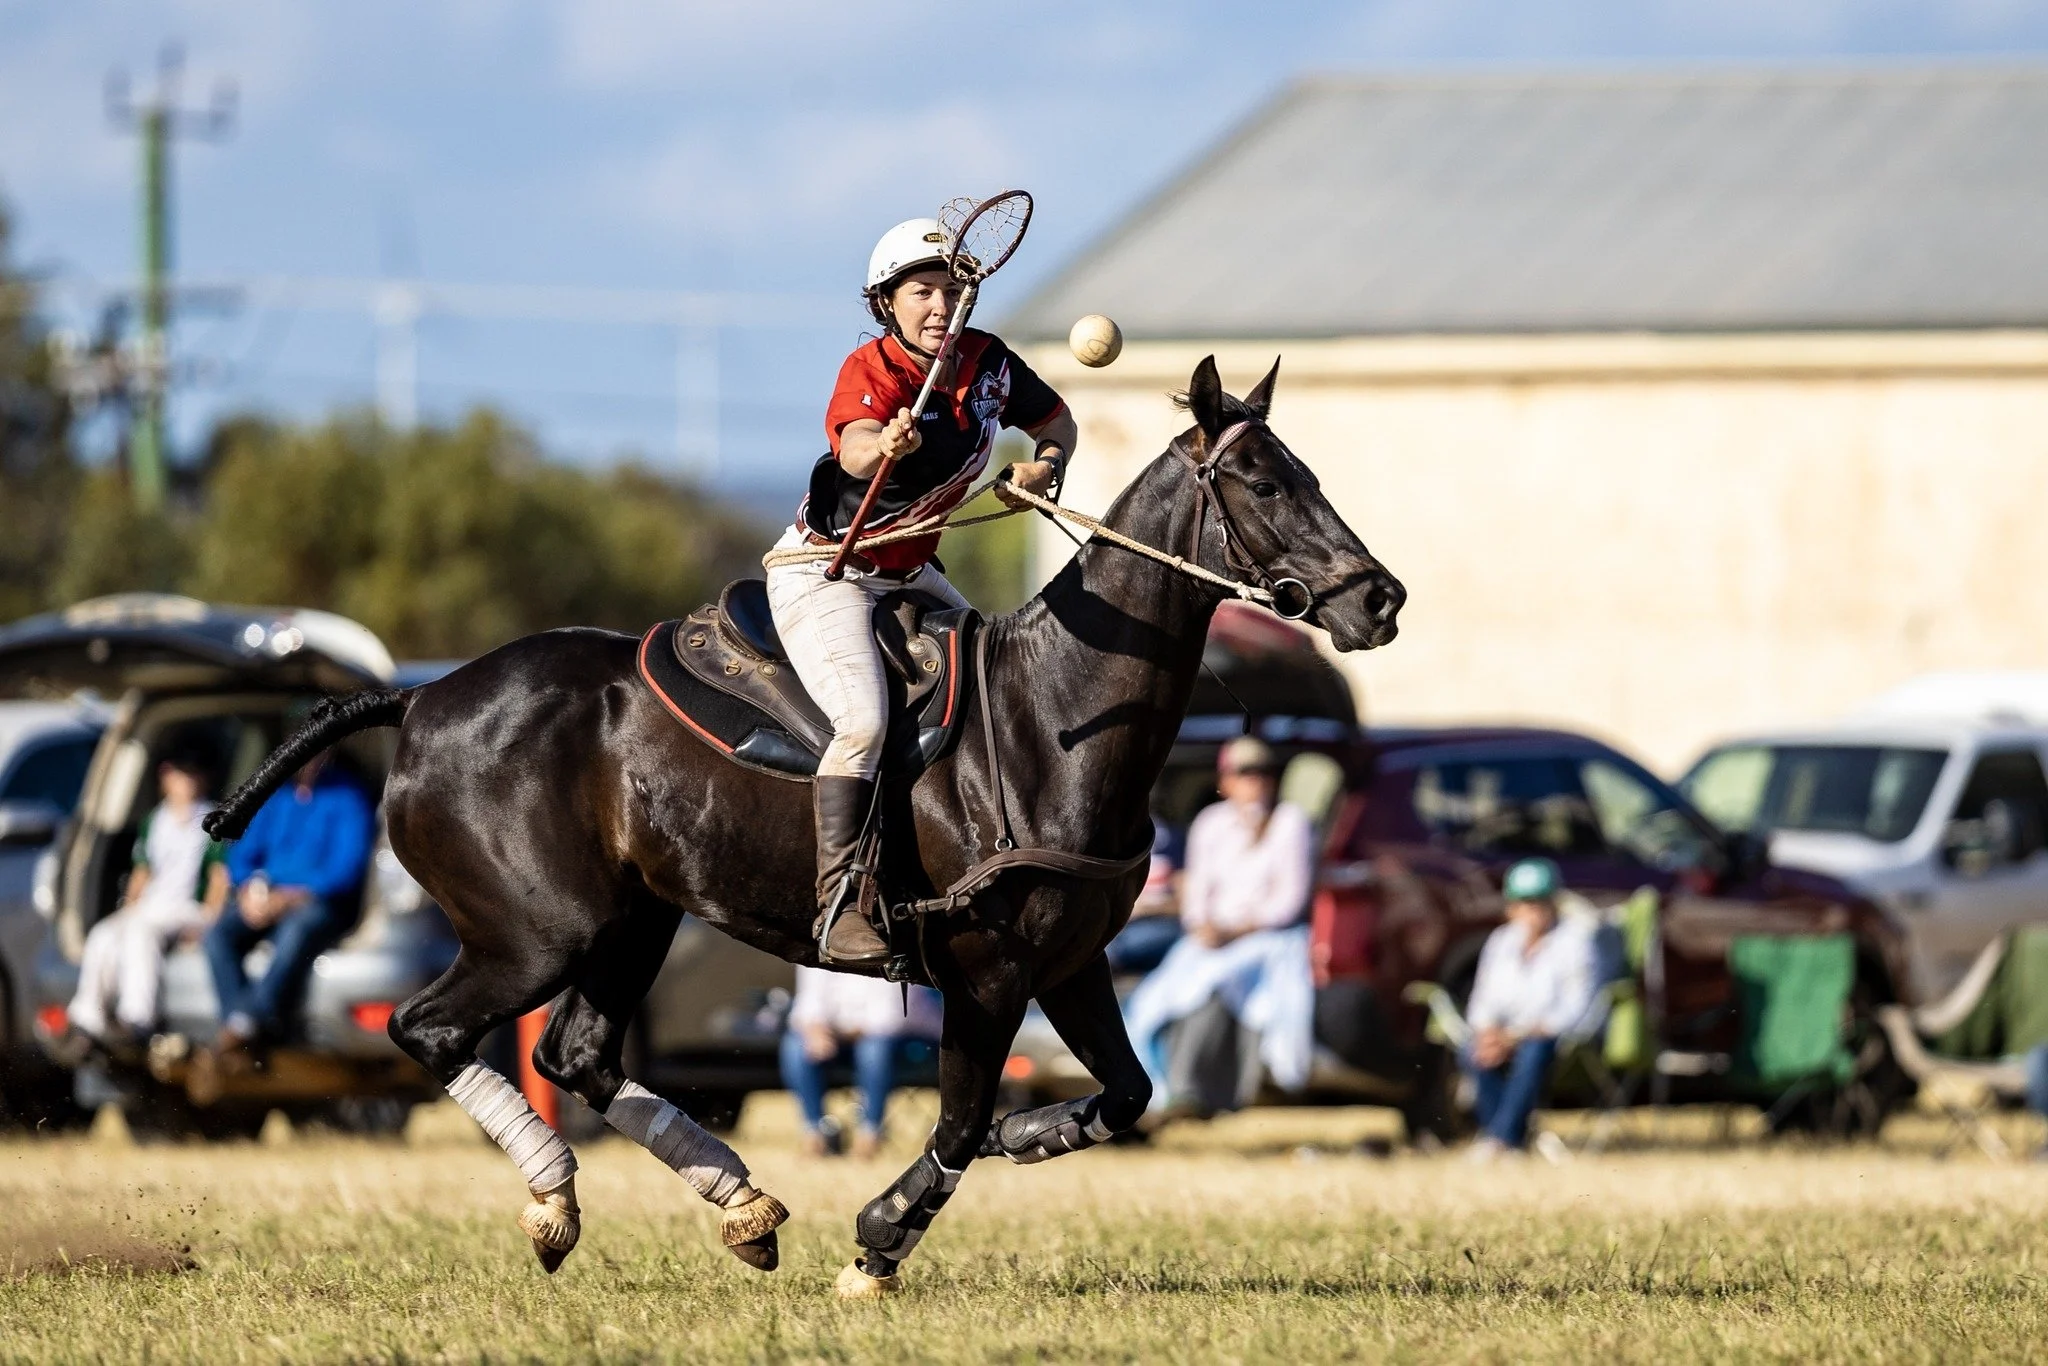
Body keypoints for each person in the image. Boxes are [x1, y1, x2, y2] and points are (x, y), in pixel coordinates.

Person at [766, 215, 1079, 966]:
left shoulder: (989, 362)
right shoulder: (870, 368)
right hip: (829, 573)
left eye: (953, 291)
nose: (941, 307)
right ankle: (839, 904)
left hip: (911, 574)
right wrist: (886, 442)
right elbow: (852, 445)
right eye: (922, 292)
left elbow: (1057, 420)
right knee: (865, 726)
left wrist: (1044, 466)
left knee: (1003, 692)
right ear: (887, 303)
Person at [1123, 736, 1318, 1116]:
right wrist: (1203, 928)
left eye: (1262, 772)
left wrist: (1235, 932)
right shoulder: (1211, 824)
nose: (1255, 781)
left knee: (1216, 988)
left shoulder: (1291, 822)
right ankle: (1151, 1092)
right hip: (1210, 940)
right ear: (1225, 781)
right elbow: (1198, 892)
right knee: (1153, 1003)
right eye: (1245, 773)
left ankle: (1193, 1090)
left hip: (1268, 940)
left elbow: (1289, 902)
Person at [201, 750, 375, 1052]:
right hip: (265, 896)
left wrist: (289, 898)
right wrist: (248, 891)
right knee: (218, 935)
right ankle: (241, 1027)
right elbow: (241, 855)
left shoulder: (349, 797)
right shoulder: (276, 797)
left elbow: (346, 870)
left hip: (319, 901)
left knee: (295, 931)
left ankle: (246, 1023)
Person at [66, 752, 229, 1051]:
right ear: (166, 777)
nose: (186, 782)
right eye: (181, 774)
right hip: (152, 905)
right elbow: (142, 871)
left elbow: (219, 877)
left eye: (193, 775)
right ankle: (88, 1022)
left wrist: (211, 920)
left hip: (187, 908)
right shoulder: (155, 820)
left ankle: (138, 1018)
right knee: (103, 935)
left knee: (141, 935)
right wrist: (129, 909)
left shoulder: (212, 819)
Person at [1460, 856, 1599, 1160]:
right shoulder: (1501, 942)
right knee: (1472, 1051)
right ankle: (1504, 1137)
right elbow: (1482, 998)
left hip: (1553, 1036)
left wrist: (1519, 1036)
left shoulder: (1575, 942)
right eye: (1525, 902)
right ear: (1511, 907)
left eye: (1540, 902)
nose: (1533, 911)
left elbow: (1578, 1007)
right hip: (1506, 1034)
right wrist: (1487, 1032)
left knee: (1533, 1051)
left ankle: (1501, 1139)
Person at [778, 966, 941, 1159]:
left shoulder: (891, 944)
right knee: (795, 1046)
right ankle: (814, 1131)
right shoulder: (821, 944)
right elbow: (808, 1002)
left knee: (873, 1049)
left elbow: (891, 1016)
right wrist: (814, 1027)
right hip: (843, 1037)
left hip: (907, 1038)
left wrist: (844, 1032)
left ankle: (870, 1132)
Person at [1104, 817, 1185, 976]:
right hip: (1120, 924)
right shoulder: (1114, 840)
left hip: (1159, 923)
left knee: (1113, 948)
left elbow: (1186, 903)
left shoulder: (1174, 841)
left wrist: (1145, 908)